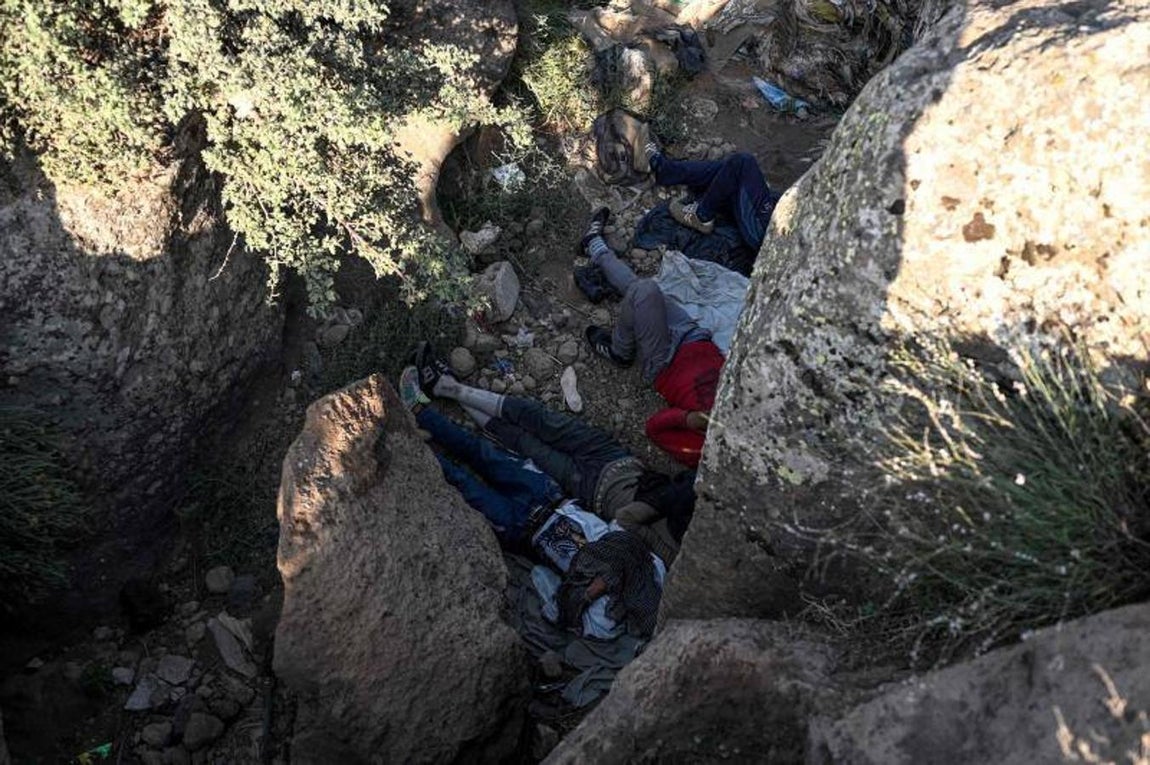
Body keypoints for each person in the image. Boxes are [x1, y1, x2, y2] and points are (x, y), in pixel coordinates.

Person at [398, 366, 666, 638]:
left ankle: (404, 442)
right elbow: (624, 544)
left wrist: (588, 590)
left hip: (522, 530)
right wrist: (598, 583)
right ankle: (420, 411)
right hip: (550, 498)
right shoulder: (655, 572)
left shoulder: (606, 625)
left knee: (462, 485)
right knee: (481, 453)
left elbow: (560, 609)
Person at [407, 344, 695, 562]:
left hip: (588, 489)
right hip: (616, 459)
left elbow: (624, 521)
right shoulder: (704, 513)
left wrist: (659, 504)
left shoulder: (675, 557)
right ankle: (450, 389)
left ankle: (444, 393)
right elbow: (683, 480)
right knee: (538, 417)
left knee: (521, 444)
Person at [578, 207, 724, 468]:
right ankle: (593, 245)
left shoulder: (708, 452)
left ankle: (620, 351)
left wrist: (690, 420)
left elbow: (655, 430)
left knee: (643, 291)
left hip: (665, 361)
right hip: (694, 336)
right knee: (641, 290)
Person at [635, 125, 777, 252]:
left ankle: (702, 217)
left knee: (742, 162)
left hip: (767, 236)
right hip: (774, 221)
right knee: (730, 169)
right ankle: (662, 169)